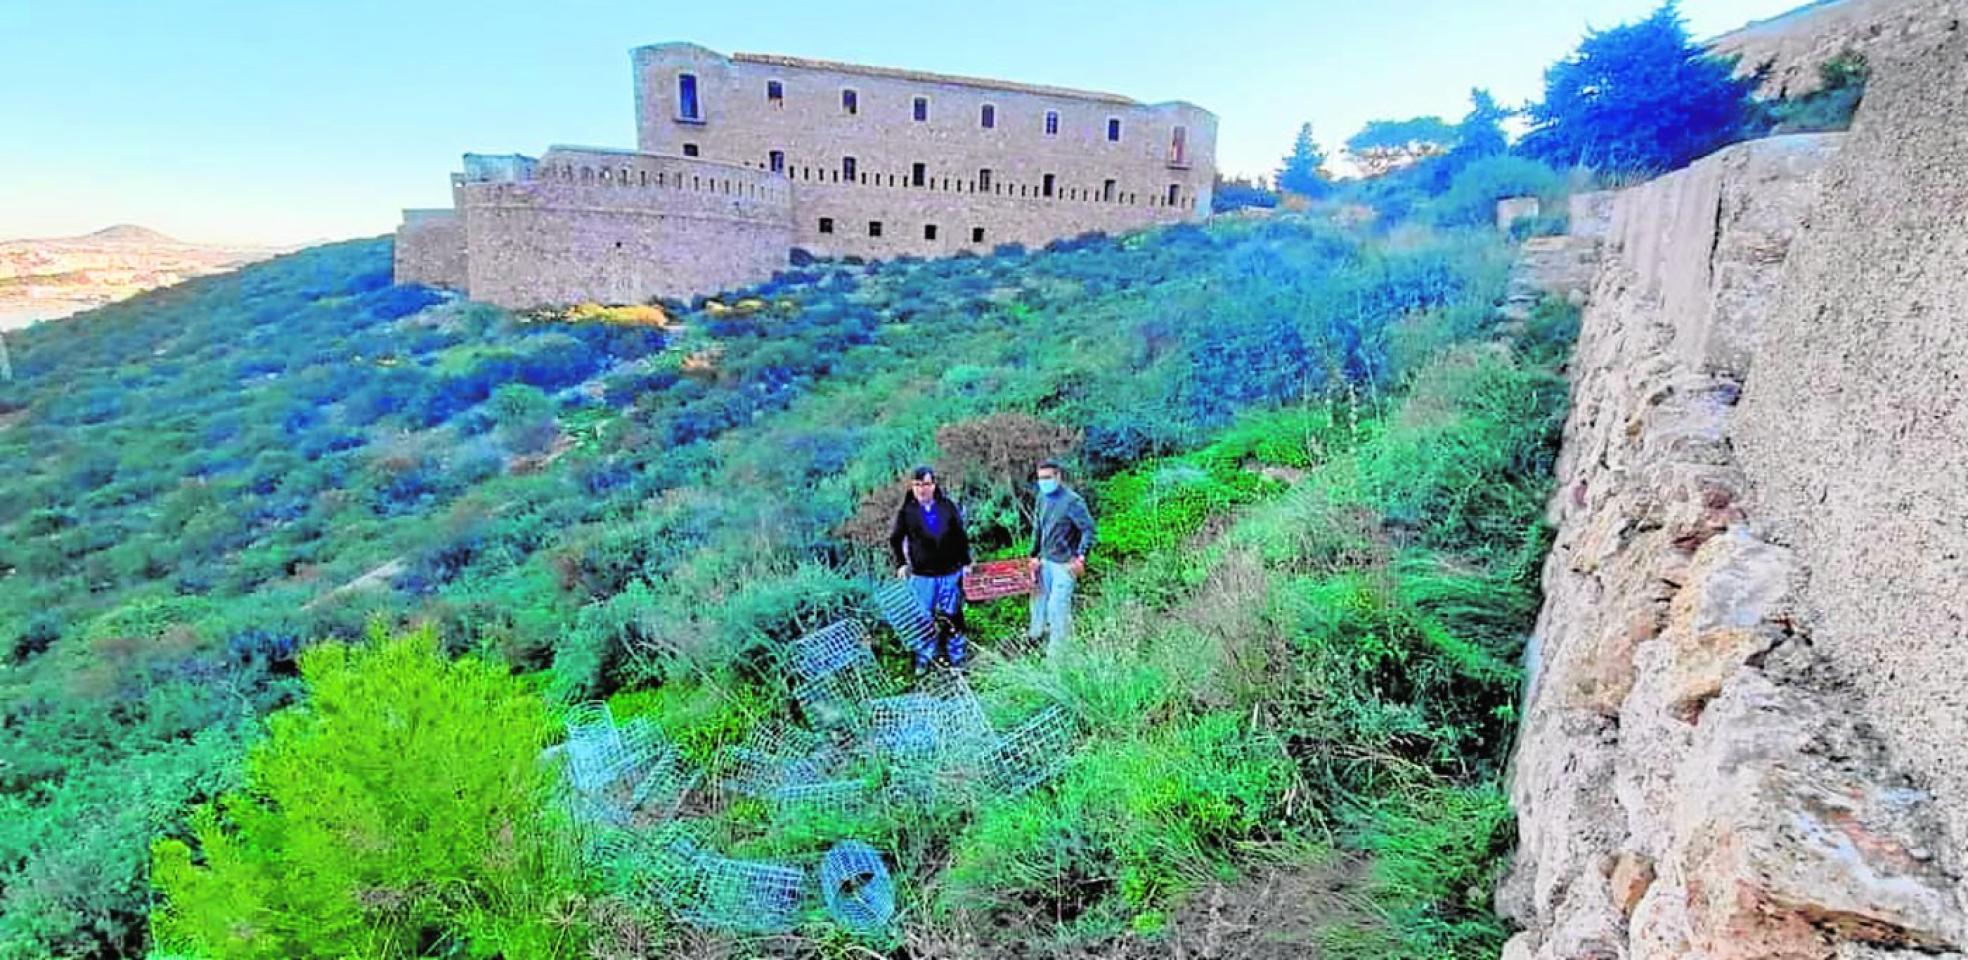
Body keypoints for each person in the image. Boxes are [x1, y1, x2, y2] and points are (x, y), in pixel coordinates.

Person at [888, 466, 973, 671]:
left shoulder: (947, 507)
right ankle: (925, 657)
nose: (921, 489)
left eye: (925, 484)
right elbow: (895, 539)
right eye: (917, 485)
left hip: (950, 572)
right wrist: (901, 563)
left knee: (952, 615)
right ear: (912, 487)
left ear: (933, 485)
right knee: (922, 617)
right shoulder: (907, 512)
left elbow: (960, 536)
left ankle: (957, 655)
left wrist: (966, 562)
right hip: (922, 576)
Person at [1026, 459, 1096, 659]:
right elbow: (1038, 529)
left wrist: (1081, 557)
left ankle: (1057, 659)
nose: (1044, 482)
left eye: (1048, 477)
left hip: (1065, 564)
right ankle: (1036, 644)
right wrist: (1033, 555)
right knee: (1038, 605)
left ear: (1058, 476)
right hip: (1045, 562)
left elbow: (1088, 530)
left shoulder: (1072, 501)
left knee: (1057, 608)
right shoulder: (1042, 498)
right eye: (1040, 478)